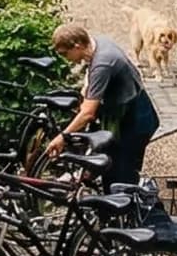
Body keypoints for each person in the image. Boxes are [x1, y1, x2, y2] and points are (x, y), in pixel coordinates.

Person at [50, 22, 159, 186]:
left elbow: (88, 113)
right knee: (110, 164)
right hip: (128, 110)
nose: (66, 59)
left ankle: (128, 207)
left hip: (135, 121)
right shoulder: (97, 43)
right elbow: (91, 72)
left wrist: (62, 137)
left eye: (65, 54)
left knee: (119, 175)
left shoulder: (103, 63)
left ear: (77, 46)